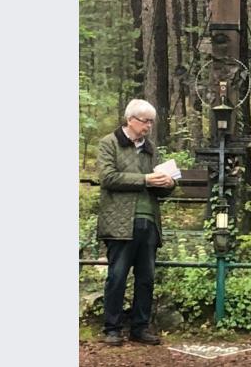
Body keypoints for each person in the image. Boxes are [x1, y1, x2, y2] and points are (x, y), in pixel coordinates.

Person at [97, 99, 176, 346]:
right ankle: (112, 328)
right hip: (120, 221)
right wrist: (146, 179)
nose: (149, 126)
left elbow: (159, 187)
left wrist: (169, 184)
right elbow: (108, 177)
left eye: (151, 121)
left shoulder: (152, 149)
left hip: (149, 221)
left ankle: (140, 328)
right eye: (145, 121)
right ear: (130, 119)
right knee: (117, 276)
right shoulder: (109, 143)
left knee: (146, 278)